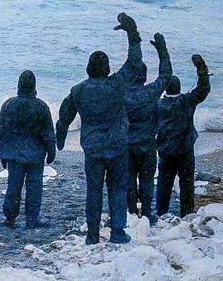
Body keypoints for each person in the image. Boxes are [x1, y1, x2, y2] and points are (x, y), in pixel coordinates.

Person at [56, 13, 143, 245]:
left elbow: (65, 115)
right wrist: (132, 33)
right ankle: (117, 232)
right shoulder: (116, 84)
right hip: (117, 146)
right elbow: (134, 63)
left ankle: (93, 235)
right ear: (106, 68)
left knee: (93, 191)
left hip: (93, 148)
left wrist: (60, 138)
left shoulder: (78, 90)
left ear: (88, 69)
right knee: (117, 189)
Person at [0, 70, 55, 229]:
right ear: (34, 87)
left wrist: (3, 153)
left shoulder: (9, 104)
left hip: (14, 153)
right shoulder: (42, 106)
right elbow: (48, 132)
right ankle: (32, 219)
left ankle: (9, 218)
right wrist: (51, 151)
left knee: (13, 186)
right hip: (35, 154)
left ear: (19, 86)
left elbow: (1, 131)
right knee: (34, 186)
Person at [124, 32, 172, 224]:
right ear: (144, 76)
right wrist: (163, 52)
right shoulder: (150, 92)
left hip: (127, 143)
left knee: (128, 180)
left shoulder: (122, 94)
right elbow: (166, 76)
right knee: (146, 180)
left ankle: (130, 212)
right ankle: (146, 213)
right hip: (147, 143)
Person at [156, 53, 210, 217]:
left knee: (163, 187)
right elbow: (203, 89)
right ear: (179, 88)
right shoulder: (187, 101)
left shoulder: (158, 104)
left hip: (165, 152)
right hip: (185, 150)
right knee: (186, 186)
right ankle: (187, 216)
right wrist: (201, 69)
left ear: (166, 88)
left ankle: (160, 217)